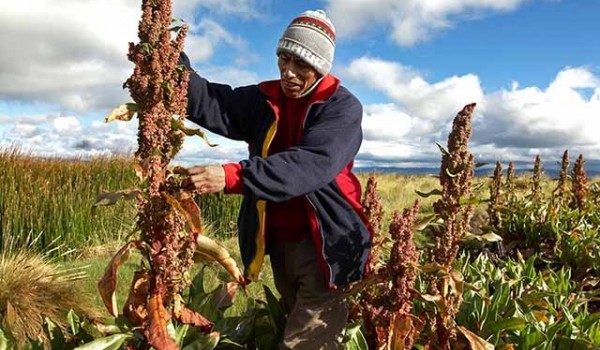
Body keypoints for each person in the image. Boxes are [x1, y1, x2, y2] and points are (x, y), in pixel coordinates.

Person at [179, 9, 372, 349]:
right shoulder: (265, 99)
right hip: (283, 246)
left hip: (328, 249)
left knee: (303, 343)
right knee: (292, 326)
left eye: (301, 64)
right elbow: (212, 102)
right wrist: (171, 62)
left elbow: (309, 165)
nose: (289, 72)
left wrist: (231, 176)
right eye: (284, 59)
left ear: (321, 67)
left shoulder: (341, 109)